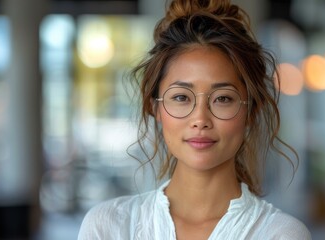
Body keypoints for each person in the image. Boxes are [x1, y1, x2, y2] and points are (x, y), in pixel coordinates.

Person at [78, 0, 311, 239]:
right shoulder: (109, 226)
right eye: (181, 97)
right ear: (154, 107)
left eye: (222, 99)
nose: (200, 119)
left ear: (251, 111)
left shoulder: (280, 234)